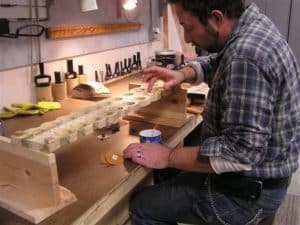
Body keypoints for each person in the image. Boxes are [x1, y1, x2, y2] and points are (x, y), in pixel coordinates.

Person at [124, 0, 300, 224]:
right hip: (263, 180)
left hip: (246, 194)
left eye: (189, 27)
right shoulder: (252, 27)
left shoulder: (246, 56)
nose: (187, 38)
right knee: (172, 178)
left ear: (217, 18)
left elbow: (239, 152)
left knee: (141, 204)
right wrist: (184, 74)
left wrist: (168, 156)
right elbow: (218, 61)